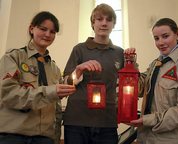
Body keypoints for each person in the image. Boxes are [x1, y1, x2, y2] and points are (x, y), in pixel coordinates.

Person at [0, 11, 76, 144]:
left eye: (52, 32)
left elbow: (56, 106)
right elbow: (9, 94)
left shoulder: (54, 69)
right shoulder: (13, 57)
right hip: (14, 136)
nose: (47, 34)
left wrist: (56, 137)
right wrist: (51, 91)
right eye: (43, 29)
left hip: (45, 138)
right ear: (31, 28)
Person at [63, 3, 132, 144]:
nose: (104, 23)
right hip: (77, 120)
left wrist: (132, 62)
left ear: (114, 24)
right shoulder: (79, 49)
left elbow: (131, 82)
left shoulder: (120, 53)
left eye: (109, 20)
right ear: (93, 23)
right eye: (99, 19)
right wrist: (78, 70)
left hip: (107, 121)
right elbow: (66, 84)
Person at [130, 18, 178, 144]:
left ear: (177, 34)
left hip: (175, 140)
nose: (160, 42)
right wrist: (131, 64)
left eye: (165, 36)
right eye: (156, 38)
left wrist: (148, 120)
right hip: (148, 138)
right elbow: (139, 88)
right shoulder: (155, 64)